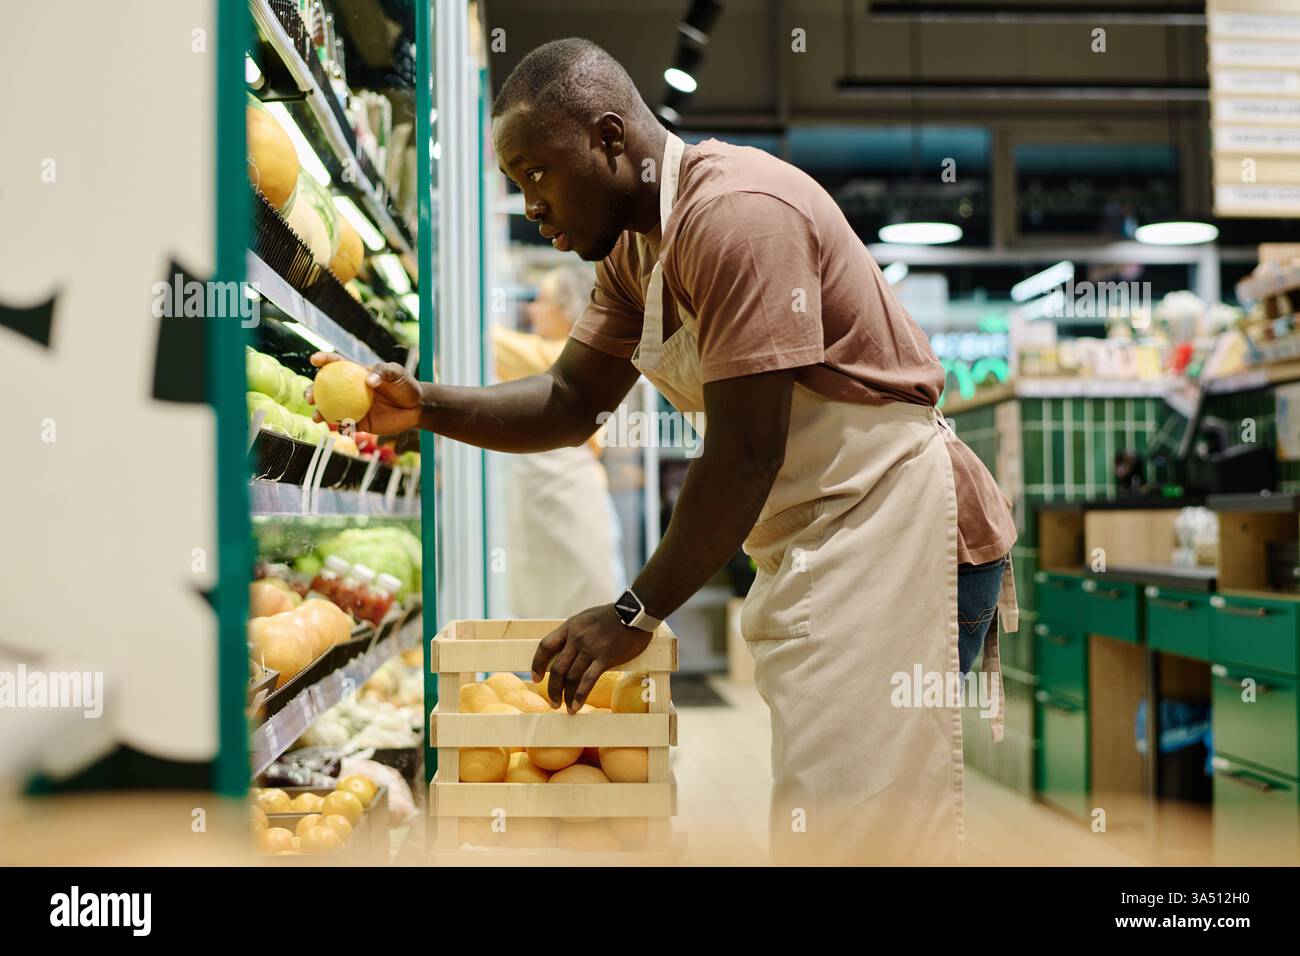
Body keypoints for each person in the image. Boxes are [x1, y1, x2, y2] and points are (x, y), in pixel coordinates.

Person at [310, 37, 1017, 865]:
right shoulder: (636, 254)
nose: (530, 203)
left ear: (610, 138)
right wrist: (423, 406)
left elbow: (747, 453)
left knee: (866, 831)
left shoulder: (740, 218)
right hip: (823, 543)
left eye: (536, 172)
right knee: (833, 818)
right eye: (515, 183)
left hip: (897, 531)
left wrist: (635, 611)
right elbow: (571, 401)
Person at [491, 265, 626, 618]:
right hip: (550, 503)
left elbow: (482, 337)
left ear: (567, 309)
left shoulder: (563, 359)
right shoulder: (549, 354)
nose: (532, 309)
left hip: (570, 499)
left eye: (541, 300)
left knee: (582, 608)